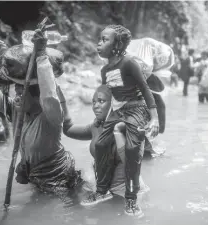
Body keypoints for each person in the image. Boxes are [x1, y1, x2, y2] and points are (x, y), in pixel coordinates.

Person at [0, 32, 82, 197]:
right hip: (35, 177)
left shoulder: (51, 116)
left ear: (37, 97)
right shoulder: (16, 111)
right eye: (16, 91)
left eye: (21, 93)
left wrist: (42, 56)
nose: (16, 96)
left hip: (59, 180)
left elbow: (49, 94)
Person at [86, 24, 159, 216]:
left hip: (137, 107)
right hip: (117, 110)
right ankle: (102, 191)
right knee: (101, 144)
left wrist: (154, 119)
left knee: (132, 149)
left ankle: (131, 199)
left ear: (117, 44)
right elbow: (107, 95)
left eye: (104, 40)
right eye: (100, 39)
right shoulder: (104, 71)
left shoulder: (128, 63)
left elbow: (145, 89)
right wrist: (101, 118)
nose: (99, 43)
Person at [58, 85, 150, 199]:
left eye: (101, 101)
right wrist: (62, 102)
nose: (95, 106)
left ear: (113, 103)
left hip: (124, 192)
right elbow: (68, 130)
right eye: (93, 102)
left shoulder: (124, 127)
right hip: (105, 190)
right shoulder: (96, 126)